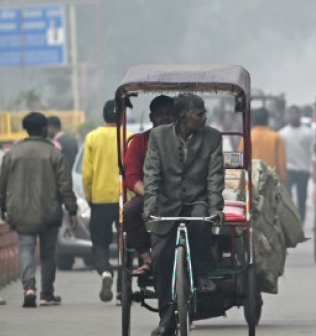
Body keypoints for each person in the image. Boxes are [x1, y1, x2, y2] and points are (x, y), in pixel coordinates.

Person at [144, 94, 225, 336]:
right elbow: (152, 174)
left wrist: (215, 207)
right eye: (199, 113)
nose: (204, 117)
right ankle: (166, 320)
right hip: (165, 205)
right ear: (183, 117)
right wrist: (150, 206)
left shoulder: (212, 137)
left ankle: (201, 273)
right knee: (160, 260)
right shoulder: (158, 137)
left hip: (197, 202)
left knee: (201, 222)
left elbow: (215, 176)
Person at [0, 112, 77, 307]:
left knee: (25, 248)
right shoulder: (54, 154)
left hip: (21, 212)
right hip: (49, 212)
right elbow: (65, 185)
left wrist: (2, 207)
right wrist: (72, 210)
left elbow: (2, 184)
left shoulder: (12, 154)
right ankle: (46, 293)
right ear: (44, 129)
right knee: (48, 252)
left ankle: (29, 288)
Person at [122, 95, 175, 276]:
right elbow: (131, 177)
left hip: (184, 194)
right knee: (129, 211)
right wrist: (149, 194)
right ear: (152, 117)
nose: (165, 118)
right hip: (150, 194)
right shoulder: (140, 142)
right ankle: (147, 258)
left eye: (169, 114)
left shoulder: (187, 139)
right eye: (160, 114)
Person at [82, 100, 124, 302]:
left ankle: (105, 271)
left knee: (100, 241)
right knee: (126, 244)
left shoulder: (92, 137)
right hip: (125, 199)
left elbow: (87, 174)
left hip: (99, 198)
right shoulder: (129, 137)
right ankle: (121, 290)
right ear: (122, 116)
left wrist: (90, 197)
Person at [279, 105, 315, 221]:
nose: (294, 116)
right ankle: (290, 221)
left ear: (300, 115)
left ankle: (301, 221)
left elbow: (312, 151)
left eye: (296, 113)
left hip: (303, 169)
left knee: (302, 198)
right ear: (288, 115)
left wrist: (312, 169)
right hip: (288, 169)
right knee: (288, 198)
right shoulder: (282, 133)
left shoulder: (308, 133)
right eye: (291, 113)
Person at [247, 107, 286, 184]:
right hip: (270, 179)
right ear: (268, 120)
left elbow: (241, 158)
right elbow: (281, 162)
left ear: (253, 120)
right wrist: (283, 180)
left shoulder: (248, 136)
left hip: (252, 178)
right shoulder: (275, 137)